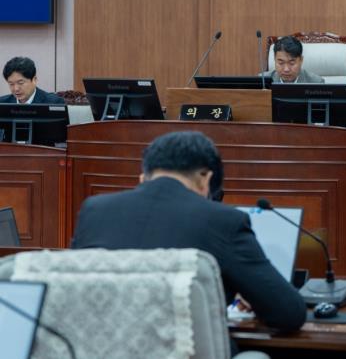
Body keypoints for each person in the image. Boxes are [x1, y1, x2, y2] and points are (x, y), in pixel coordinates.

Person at [71, 131, 306, 332]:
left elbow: (75, 294)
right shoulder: (223, 221)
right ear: (206, 179)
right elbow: (289, 314)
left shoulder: (95, 210)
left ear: (143, 177)